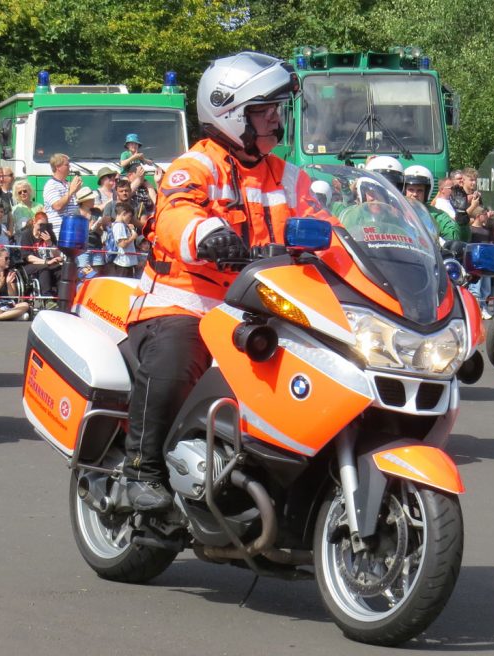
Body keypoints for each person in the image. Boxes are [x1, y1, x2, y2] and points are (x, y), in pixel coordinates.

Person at [121, 51, 332, 511]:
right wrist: (207, 233)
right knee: (178, 356)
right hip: (185, 303)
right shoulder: (195, 166)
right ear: (230, 113)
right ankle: (140, 471)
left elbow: (326, 226)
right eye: (264, 110)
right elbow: (176, 212)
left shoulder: (288, 176)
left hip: (264, 306)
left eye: (277, 108)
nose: (275, 118)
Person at [402, 165, 463, 241]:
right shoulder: (395, 211)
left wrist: (462, 220)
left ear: (426, 192)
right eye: (411, 190)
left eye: (419, 190)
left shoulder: (437, 215)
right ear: (404, 191)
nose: (415, 194)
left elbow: (454, 237)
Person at [42, 153, 82, 235]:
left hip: (73, 231)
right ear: (58, 167)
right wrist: (71, 191)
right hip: (59, 233)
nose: (69, 167)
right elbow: (57, 206)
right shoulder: (51, 185)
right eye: (67, 165)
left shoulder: (68, 184)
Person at [0, 247, 31, 321]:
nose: (9, 260)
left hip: (7, 305)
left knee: (25, 305)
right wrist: (0, 284)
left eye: (9, 258)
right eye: (6, 258)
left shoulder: (9, 273)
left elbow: (13, 296)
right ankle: (11, 315)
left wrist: (8, 284)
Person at [109, 201, 138, 277]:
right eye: (130, 216)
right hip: (123, 263)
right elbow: (122, 244)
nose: (130, 219)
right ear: (124, 213)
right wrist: (133, 237)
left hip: (126, 262)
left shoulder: (122, 226)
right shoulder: (119, 226)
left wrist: (132, 230)